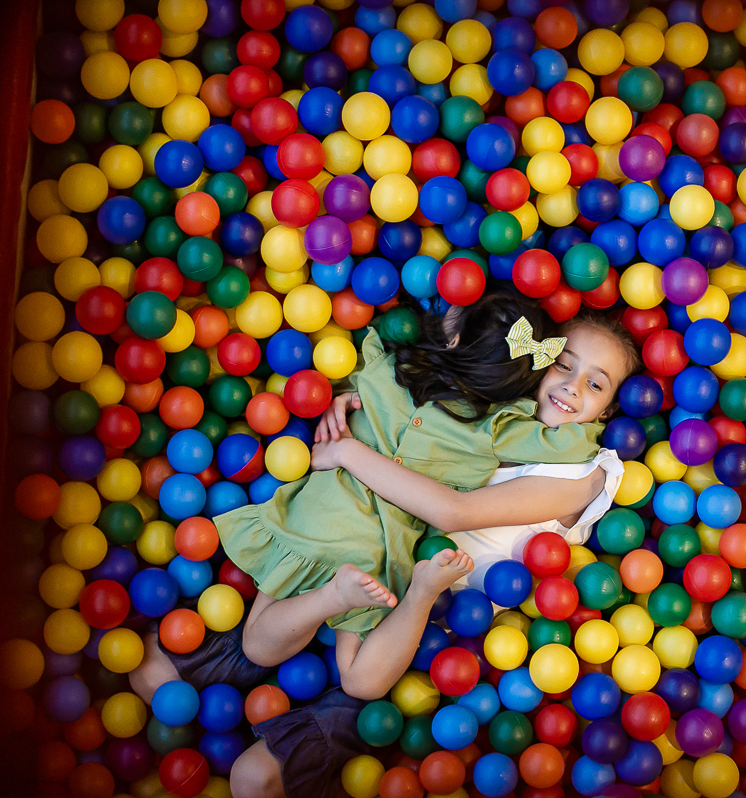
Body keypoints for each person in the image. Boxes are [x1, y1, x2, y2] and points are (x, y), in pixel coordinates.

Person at [128, 310, 640, 798]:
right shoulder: (493, 407)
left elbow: (452, 512)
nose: (573, 386)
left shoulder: (582, 471)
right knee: (149, 669)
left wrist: (349, 452)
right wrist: (352, 402)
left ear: (610, 407)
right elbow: (416, 399)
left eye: (595, 383)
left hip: (427, 635)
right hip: (367, 553)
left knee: (252, 777)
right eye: (563, 364)